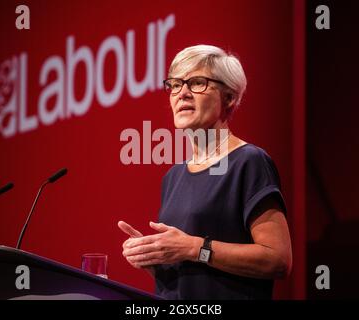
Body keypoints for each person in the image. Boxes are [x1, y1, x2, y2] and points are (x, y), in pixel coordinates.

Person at [118, 45, 292, 300]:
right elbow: (195, 273)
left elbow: (278, 260)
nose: (182, 94)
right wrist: (156, 260)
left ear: (229, 97)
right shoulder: (173, 177)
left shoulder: (248, 162)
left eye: (197, 82)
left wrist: (194, 247)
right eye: (175, 85)